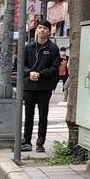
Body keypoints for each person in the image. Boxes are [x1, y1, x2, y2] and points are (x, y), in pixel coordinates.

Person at [22, 21, 61, 153]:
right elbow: (21, 64)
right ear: (36, 30)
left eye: (45, 28)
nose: (42, 30)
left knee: (43, 116)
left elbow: (55, 68)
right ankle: (26, 142)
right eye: (40, 28)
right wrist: (29, 73)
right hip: (29, 86)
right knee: (28, 115)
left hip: (45, 87)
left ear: (49, 31)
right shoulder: (28, 47)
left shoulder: (53, 48)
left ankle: (40, 143)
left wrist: (41, 74)